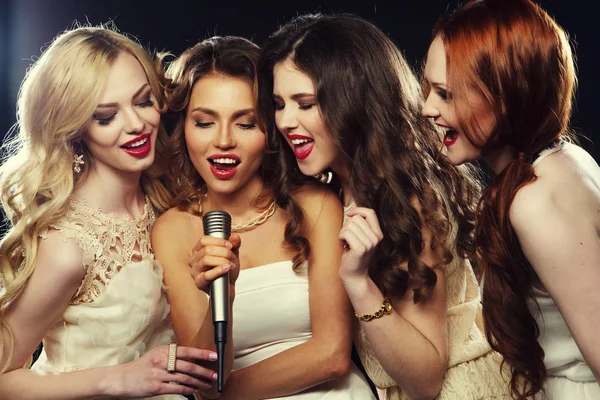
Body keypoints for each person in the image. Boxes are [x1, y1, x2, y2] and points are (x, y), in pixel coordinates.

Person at [258, 13, 512, 400]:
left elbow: (426, 378)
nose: (286, 121)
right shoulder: (331, 193)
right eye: (279, 104)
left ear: (353, 102)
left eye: (305, 103)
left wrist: (359, 284)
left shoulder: (410, 198)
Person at [0, 25, 220, 399]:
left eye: (143, 101)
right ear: (75, 130)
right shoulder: (67, 247)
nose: (136, 125)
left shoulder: (164, 199)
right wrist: (117, 379)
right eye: (106, 116)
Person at [152, 35, 375, 399]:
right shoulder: (172, 231)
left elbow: (333, 355)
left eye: (245, 123)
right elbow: (206, 371)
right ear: (183, 129)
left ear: (270, 130)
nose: (223, 141)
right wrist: (226, 294)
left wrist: (221, 395)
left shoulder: (315, 205)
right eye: (205, 122)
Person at [421, 0, 600, 399]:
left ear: (506, 95)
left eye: (445, 94)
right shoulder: (564, 158)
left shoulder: (534, 202)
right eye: (428, 88)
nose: (426, 108)